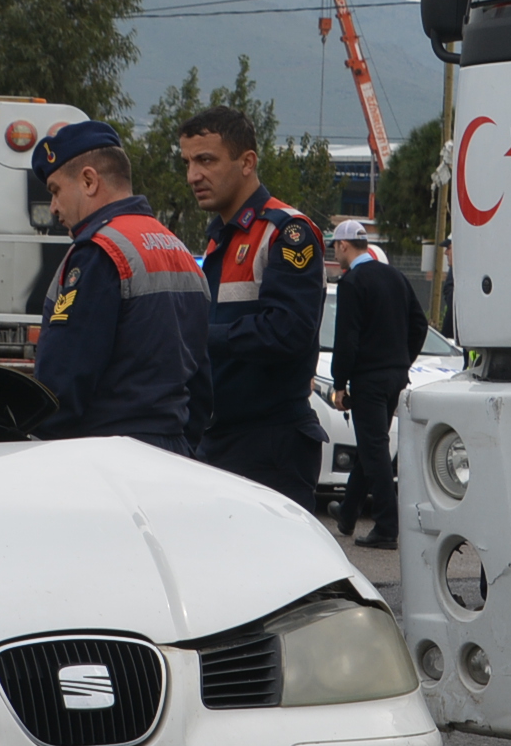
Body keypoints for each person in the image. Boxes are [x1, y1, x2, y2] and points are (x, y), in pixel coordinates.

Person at [28, 121, 208, 454]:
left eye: (55, 190)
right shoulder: (179, 250)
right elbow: (200, 382)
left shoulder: (98, 252)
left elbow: (65, 380)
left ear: (88, 180)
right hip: (173, 451)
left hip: (106, 454)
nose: (53, 208)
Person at [182, 106, 325, 508]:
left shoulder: (287, 232)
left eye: (206, 160)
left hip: (271, 446)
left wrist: (197, 336)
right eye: (189, 162)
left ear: (247, 162)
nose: (194, 175)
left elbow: (289, 331)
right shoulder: (218, 239)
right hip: (219, 441)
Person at [327, 218, 425, 550]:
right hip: (395, 376)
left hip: (368, 378)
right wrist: (403, 360)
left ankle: (386, 527)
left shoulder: (353, 282)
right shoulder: (395, 276)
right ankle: (348, 514)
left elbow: (347, 339)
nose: (336, 254)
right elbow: (419, 323)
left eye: (335, 248)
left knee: (374, 450)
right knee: (372, 445)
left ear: (343, 246)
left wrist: (340, 384)